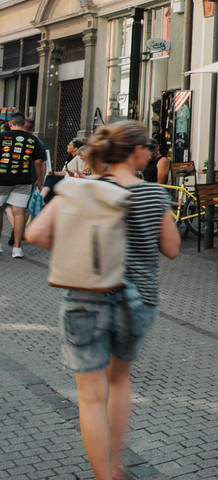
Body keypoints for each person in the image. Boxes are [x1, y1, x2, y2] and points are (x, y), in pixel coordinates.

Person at [27, 121, 180, 480]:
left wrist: (75, 249)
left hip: (85, 296)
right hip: (137, 299)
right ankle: (115, 461)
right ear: (136, 152)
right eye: (148, 147)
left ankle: (105, 475)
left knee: (91, 398)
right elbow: (172, 249)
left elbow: (35, 233)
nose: (150, 152)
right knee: (119, 381)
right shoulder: (153, 194)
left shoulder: (81, 189)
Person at [0, 112, 47, 258]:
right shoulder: (32, 139)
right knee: (19, 213)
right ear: (24, 124)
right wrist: (39, 179)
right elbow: (38, 161)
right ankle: (17, 248)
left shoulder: (2, 136)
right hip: (23, 179)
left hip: (2, 179)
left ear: (10, 124)